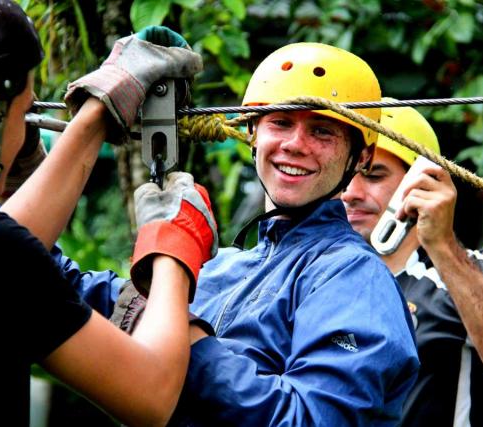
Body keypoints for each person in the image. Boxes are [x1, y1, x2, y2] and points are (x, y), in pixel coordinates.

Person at [116, 43, 420, 426]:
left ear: (361, 158)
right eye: (281, 122)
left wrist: (181, 332)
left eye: (322, 131)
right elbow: (54, 291)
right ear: (251, 132)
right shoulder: (221, 270)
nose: (295, 144)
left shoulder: (354, 278)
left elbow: (309, 419)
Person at [0, 1, 216, 425]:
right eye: (26, 113)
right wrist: (172, 246)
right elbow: (151, 392)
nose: (28, 130)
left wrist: (95, 117)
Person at [341, 101, 483, 426]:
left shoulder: (482, 269)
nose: (350, 193)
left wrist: (442, 245)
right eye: (345, 175)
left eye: (373, 174)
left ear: (419, 183)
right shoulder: (323, 280)